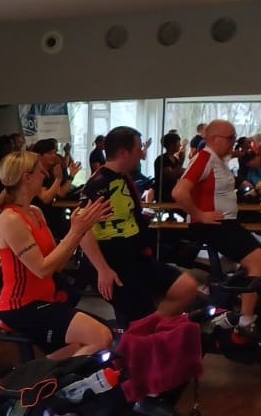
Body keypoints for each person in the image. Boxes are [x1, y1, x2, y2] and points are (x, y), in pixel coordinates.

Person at [0, 152, 114, 357]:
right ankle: (45, 376)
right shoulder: (10, 219)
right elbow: (41, 269)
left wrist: (79, 231)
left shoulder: (35, 212)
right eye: (41, 172)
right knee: (101, 337)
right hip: (20, 307)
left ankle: (42, 373)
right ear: (27, 178)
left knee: (92, 340)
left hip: (44, 300)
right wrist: (75, 232)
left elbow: (57, 264)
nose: (45, 176)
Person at [79, 127, 199, 326]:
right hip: (112, 264)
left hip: (135, 259)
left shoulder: (124, 177)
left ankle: (148, 329)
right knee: (139, 316)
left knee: (185, 287)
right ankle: (143, 332)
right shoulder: (99, 184)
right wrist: (103, 269)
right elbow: (81, 230)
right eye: (138, 150)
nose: (142, 154)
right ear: (123, 153)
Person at [175, 120, 261, 333]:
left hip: (225, 223)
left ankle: (233, 303)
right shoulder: (204, 158)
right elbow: (179, 192)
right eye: (230, 138)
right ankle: (244, 322)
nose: (234, 141)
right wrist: (199, 215)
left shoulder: (218, 160)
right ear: (213, 139)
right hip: (213, 225)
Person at [153, 132, 186, 205]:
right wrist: (181, 162)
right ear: (171, 145)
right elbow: (172, 175)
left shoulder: (175, 159)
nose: (180, 145)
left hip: (173, 194)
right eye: (178, 143)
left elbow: (180, 174)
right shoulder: (162, 160)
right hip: (164, 196)